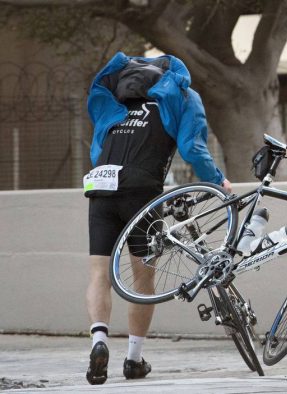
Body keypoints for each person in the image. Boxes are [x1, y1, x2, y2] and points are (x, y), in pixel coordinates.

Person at [83, 52, 233, 385]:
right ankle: (134, 359)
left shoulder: (113, 98)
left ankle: (99, 340)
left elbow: (96, 149)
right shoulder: (181, 96)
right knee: (143, 279)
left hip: (101, 184)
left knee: (98, 272)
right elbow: (193, 149)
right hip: (143, 191)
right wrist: (217, 180)